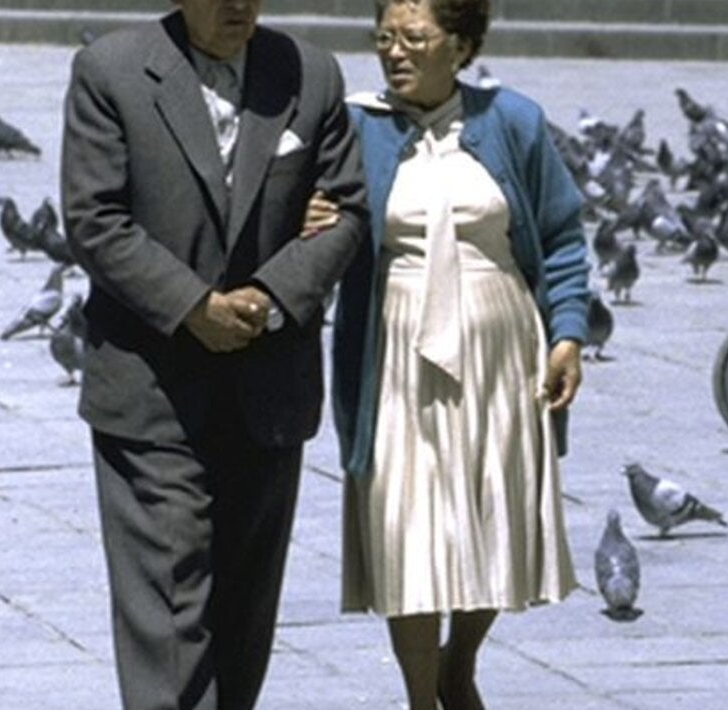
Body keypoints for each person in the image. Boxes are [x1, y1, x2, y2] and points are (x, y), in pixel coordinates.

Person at [59, 1, 368, 708]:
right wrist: (194, 308)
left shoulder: (309, 76)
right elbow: (94, 218)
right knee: (170, 606)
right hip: (153, 391)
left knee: (244, 614)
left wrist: (268, 294)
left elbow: (346, 208)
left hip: (268, 389)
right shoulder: (110, 72)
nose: (239, 7)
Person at [322, 1, 589, 707]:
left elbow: (561, 237)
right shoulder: (353, 126)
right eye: (384, 38)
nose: (395, 54)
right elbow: (317, 213)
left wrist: (566, 332)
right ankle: (420, 697)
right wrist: (310, 215)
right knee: (404, 519)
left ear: (461, 45)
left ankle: (459, 661)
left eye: (415, 38)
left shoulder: (514, 122)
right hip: (396, 343)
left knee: (491, 511)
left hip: (499, 343)